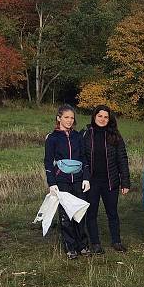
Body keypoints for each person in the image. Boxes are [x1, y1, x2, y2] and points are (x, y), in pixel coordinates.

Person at [81, 105, 130, 254]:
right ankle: (95, 243)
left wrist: (125, 181)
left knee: (112, 213)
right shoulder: (85, 134)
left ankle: (116, 241)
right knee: (91, 213)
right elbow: (80, 156)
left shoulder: (115, 135)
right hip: (92, 182)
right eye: (99, 116)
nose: (102, 119)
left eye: (106, 117)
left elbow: (122, 159)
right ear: (94, 116)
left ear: (109, 119)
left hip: (111, 181)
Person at [44, 104, 89, 260]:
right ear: (59, 118)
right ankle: (70, 247)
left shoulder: (78, 136)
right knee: (65, 215)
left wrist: (86, 177)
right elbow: (48, 161)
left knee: (80, 212)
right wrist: (52, 182)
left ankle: (82, 245)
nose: (69, 120)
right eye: (66, 117)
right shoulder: (52, 138)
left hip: (78, 180)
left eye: (72, 117)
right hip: (61, 180)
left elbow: (84, 158)